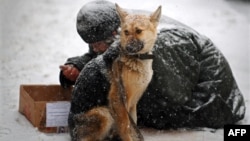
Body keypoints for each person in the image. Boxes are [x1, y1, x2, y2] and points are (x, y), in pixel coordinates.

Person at [59, 0, 246, 140]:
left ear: (114, 32)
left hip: (212, 100)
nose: (96, 49)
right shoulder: (126, 29)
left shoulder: (158, 45)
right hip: (178, 85)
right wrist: (78, 66)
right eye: (91, 45)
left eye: (99, 44)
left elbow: (173, 98)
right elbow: (105, 59)